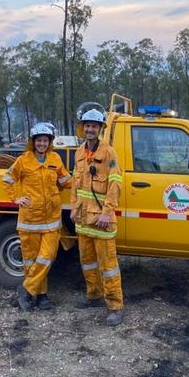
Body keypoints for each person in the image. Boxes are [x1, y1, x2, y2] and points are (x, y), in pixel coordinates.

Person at [2, 122, 71, 311]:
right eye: (39, 140)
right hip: (30, 220)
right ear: (33, 142)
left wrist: (83, 181)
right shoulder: (23, 160)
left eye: (45, 140)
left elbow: (65, 181)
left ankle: (25, 289)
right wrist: (16, 198)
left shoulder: (55, 159)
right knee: (31, 261)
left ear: (50, 142)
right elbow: (8, 179)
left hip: (51, 220)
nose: (42, 143)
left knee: (47, 256)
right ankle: (41, 296)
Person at [70, 108, 125, 326]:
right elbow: (76, 183)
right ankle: (93, 295)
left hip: (102, 220)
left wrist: (107, 211)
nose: (90, 129)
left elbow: (115, 184)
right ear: (83, 128)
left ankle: (115, 305)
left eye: (94, 126)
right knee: (88, 262)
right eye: (87, 125)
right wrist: (74, 208)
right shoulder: (79, 153)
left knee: (108, 264)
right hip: (83, 220)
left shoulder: (109, 153)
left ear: (100, 128)